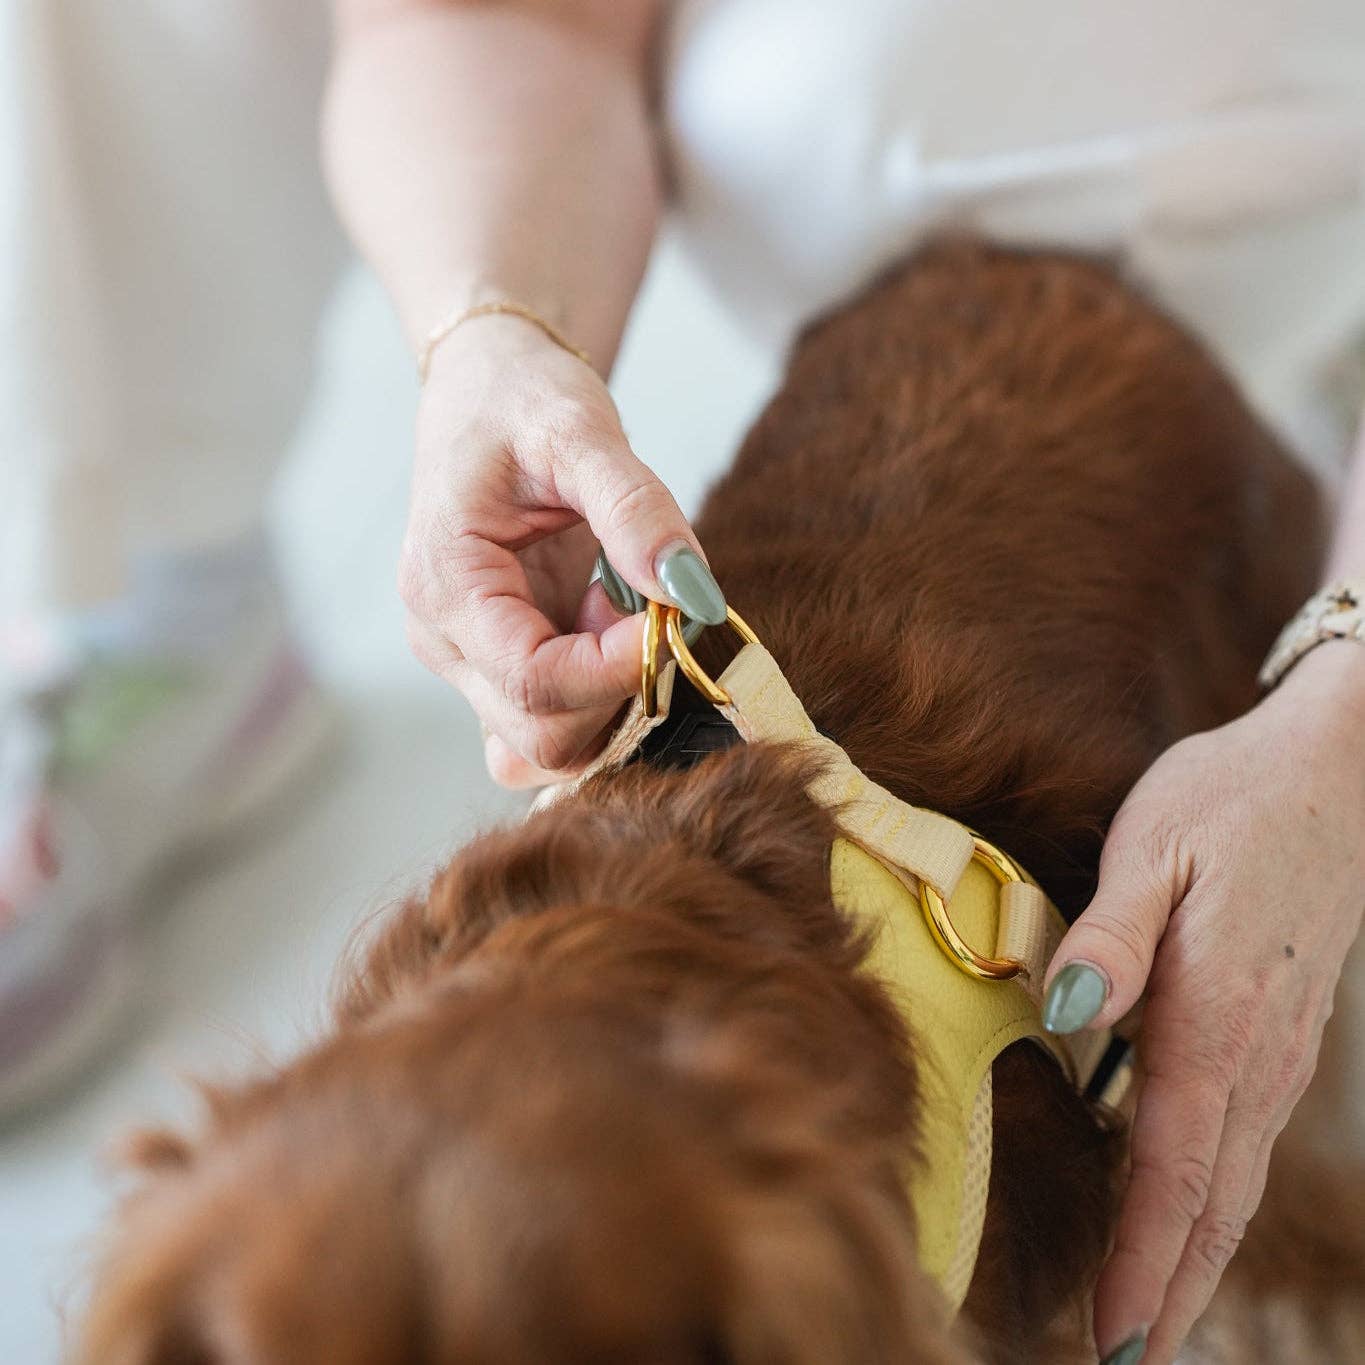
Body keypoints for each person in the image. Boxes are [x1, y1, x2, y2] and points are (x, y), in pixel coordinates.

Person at [1, 2, 1363, 1362]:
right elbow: (506, 23)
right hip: (876, 190)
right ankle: (176, 602)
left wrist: (1341, 700)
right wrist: (489, 339)